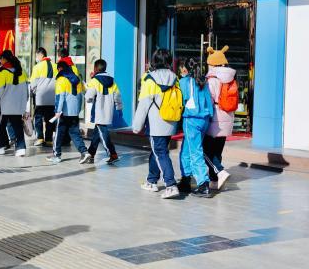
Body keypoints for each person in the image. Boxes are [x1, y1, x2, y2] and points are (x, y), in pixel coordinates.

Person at [132, 49, 181, 199]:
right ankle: (151, 181)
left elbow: (144, 104)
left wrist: (136, 126)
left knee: (160, 153)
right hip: (170, 122)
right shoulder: (175, 78)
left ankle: (171, 185)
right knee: (157, 151)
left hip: (156, 124)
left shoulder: (149, 79)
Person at [178, 57, 214, 196]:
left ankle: (203, 184)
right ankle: (186, 179)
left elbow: (181, 101)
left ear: (186, 69)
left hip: (191, 119)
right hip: (204, 119)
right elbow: (209, 102)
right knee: (187, 149)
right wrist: (209, 116)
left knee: (194, 152)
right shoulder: (203, 82)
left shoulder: (184, 82)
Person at [204, 46, 237, 191]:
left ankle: (220, 171)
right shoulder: (230, 77)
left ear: (212, 63)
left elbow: (208, 101)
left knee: (205, 150)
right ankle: (215, 180)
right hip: (228, 117)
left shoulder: (212, 79)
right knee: (217, 151)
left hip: (215, 118)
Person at [47, 61, 88, 164]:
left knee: (58, 134)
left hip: (63, 112)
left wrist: (57, 111)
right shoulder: (77, 79)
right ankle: (84, 152)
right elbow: (81, 96)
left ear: (60, 69)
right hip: (74, 112)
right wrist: (78, 110)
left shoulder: (61, 80)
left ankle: (57, 155)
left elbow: (60, 97)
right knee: (75, 133)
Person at [83, 59, 122, 164]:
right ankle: (91, 154)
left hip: (98, 111)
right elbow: (117, 96)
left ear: (95, 68)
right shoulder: (112, 81)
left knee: (103, 134)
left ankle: (112, 154)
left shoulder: (94, 81)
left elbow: (88, 97)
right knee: (97, 133)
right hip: (108, 111)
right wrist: (119, 108)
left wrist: (87, 93)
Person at [0, 50, 29, 156]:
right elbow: (26, 90)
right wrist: (24, 103)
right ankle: (21, 148)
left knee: (0, 125)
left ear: (4, 59)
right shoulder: (22, 72)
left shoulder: (2, 73)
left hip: (4, 105)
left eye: (0, 59)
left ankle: (0, 147)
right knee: (17, 126)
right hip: (18, 106)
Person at [30, 47, 56, 147]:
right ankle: (49, 140)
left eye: (37, 56)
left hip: (41, 98)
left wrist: (34, 91)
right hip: (52, 98)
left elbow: (33, 84)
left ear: (41, 55)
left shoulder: (37, 67)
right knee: (50, 119)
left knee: (38, 118)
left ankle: (40, 138)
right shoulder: (55, 66)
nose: (36, 58)